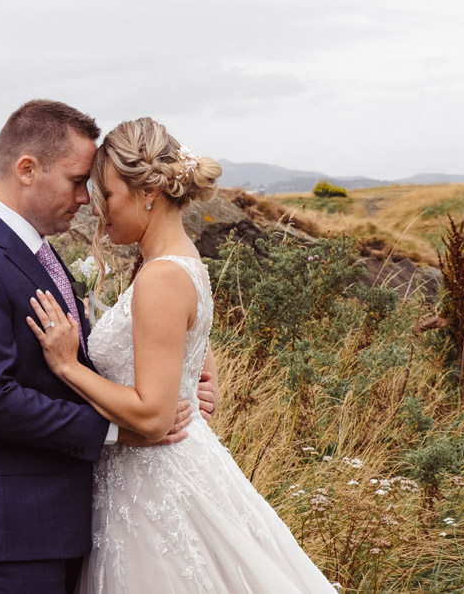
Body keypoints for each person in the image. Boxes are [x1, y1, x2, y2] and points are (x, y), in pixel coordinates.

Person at [0, 100, 216, 594]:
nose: (86, 199)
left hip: (74, 516)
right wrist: (121, 432)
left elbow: (95, 351)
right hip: (15, 528)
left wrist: (188, 381)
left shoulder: (36, 249)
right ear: (28, 169)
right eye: (78, 181)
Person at [27, 117, 336, 592]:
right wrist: (194, 385)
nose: (98, 211)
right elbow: (196, 363)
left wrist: (67, 365)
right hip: (158, 473)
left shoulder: (161, 277)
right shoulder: (181, 262)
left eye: (107, 195)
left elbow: (152, 417)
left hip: (155, 482)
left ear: (148, 190)